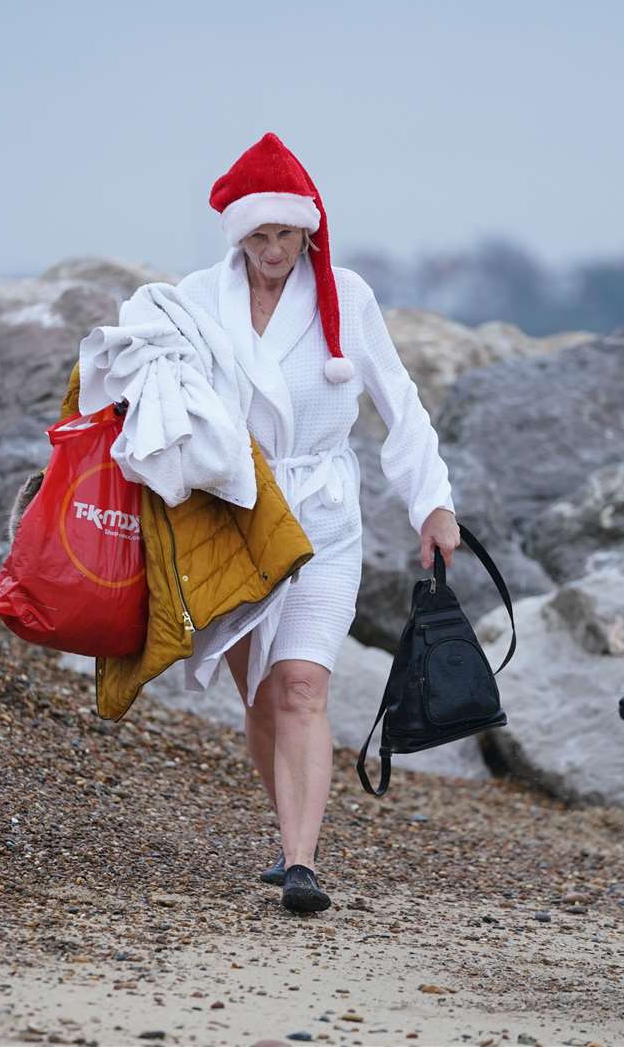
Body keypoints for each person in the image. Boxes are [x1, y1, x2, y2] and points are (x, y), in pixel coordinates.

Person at [94, 132, 459, 914]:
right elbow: (144, 393)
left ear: (308, 230)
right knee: (258, 694)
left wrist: (433, 503)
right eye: (258, 236)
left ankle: (302, 863)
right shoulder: (195, 298)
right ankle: (286, 830)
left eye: (285, 235)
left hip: (322, 514)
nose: (272, 251)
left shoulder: (347, 299)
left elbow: (400, 405)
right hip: (228, 521)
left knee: (300, 685)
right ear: (238, 235)